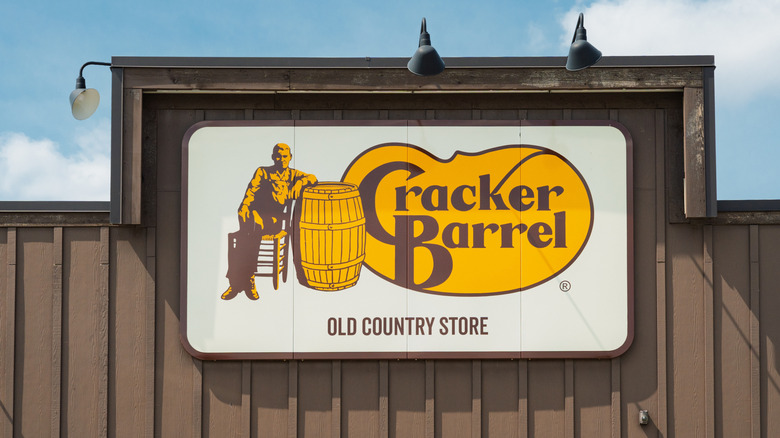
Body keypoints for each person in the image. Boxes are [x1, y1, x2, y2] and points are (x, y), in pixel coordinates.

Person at [222, 143, 317, 300]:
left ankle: (239, 282)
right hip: (254, 216)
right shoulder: (263, 171)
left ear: (290, 158)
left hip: (274, 221)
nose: (281, 159)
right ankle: (245, 281)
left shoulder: (293, 175)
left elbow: (313, 178)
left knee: (246, 235)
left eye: (285, 156)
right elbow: (250, 193)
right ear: (273, 157)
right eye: (278, 156)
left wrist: (299, 183)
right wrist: (244, 209)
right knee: (248, 230)